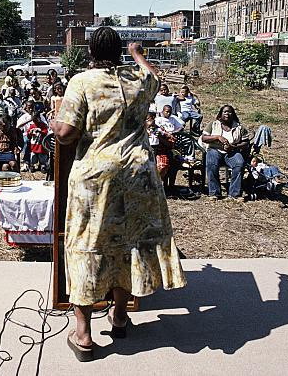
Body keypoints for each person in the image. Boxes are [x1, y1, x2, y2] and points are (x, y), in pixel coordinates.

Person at [51, 28, 186, 361]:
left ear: (90, 52)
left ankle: (83, 335)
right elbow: (153, 76)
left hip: (97, 180)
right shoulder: (136, 80)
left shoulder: (82, 82)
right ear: (119, 52)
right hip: (137, 176)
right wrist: (137, 52)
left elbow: (67, 134)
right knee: (126, 245)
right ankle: (120, 316)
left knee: (87, 245)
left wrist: (54, 121)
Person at [201, 104, 250, 199]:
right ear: (221, 114)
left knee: (239, 163)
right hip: (215, 149)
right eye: (225, 112)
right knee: (211, 164)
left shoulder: (239, 127)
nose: (227, 114)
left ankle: (234, 194)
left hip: (232, 151)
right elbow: (204, 138)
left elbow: (246, 142)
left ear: (233, 114)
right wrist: (217, 137)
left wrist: (234, 146)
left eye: (230, 112)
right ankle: (215, 193)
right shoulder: (213, 124)